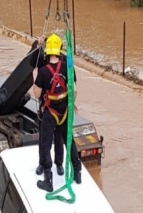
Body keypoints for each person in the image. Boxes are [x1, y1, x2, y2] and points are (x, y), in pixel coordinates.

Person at [33, 34, 82, 192]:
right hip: (65, 110)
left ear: (48, 51)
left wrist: (36, 79)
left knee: (46, 144)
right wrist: (72, 104)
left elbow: (37, 94)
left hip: (50, 111)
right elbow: (73, 88)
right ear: (60, 49)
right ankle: (77, 173)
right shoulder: (68, 66)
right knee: (69, 141)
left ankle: (48, 179)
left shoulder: (43, 71)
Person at [28, 36, 65, 177]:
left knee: (58, 136)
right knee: (44, 138)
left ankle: (59, 163)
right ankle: (42, 163)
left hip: (59, 104)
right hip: (46, 102)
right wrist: (37, 45)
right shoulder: (42, 56)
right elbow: (32, 62)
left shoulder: (62, 59)